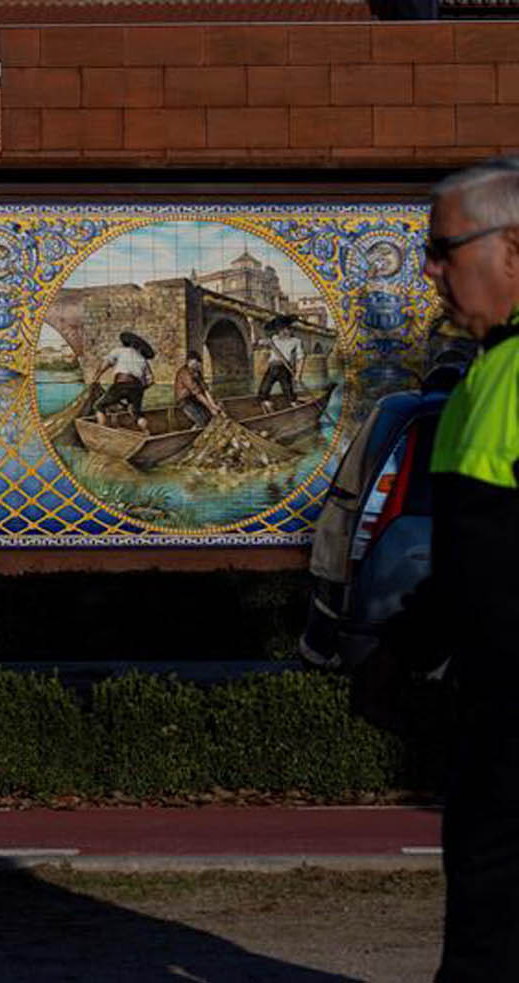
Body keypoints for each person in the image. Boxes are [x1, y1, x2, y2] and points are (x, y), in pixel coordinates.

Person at [411, 156, 519, 981]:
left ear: (512, 250)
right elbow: (471, 560)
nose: (431, 269)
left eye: (446, 248)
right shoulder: (486, 373)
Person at [91, 331, 155, 432]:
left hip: (121, 384)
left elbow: (104, 365)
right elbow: (151, 380)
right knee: (136, 413)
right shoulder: (142, 359)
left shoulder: (118, 351)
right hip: (137, 387)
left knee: (99, 406)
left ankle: (102, 431)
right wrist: (141, 389)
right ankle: (147, 433)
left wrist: (96, 377)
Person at [257, 315, 304, 413]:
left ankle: (296, 409)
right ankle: (268, 405)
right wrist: (262, 340)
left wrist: (298, 375)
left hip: (284, 369)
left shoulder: (295, 341)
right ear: (278, 330)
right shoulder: (274, 339)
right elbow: (259, 342)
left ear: (290, 329)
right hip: (272, 368)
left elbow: (300, 359)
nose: (283, 332)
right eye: (280, 329)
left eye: (286, 329)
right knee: (262, 392)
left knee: (289, 394)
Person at [173, 352, 220, 428]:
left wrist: (213, 405)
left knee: (209, 417)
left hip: (194, 400)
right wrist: (211, 408)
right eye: (195, 363)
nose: (197, 365)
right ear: (189, 362)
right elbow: (197, 393)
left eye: (198, 363)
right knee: (201, 421)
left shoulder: (197, 373)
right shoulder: (184, 373)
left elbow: (205, 390)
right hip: (184, 401)